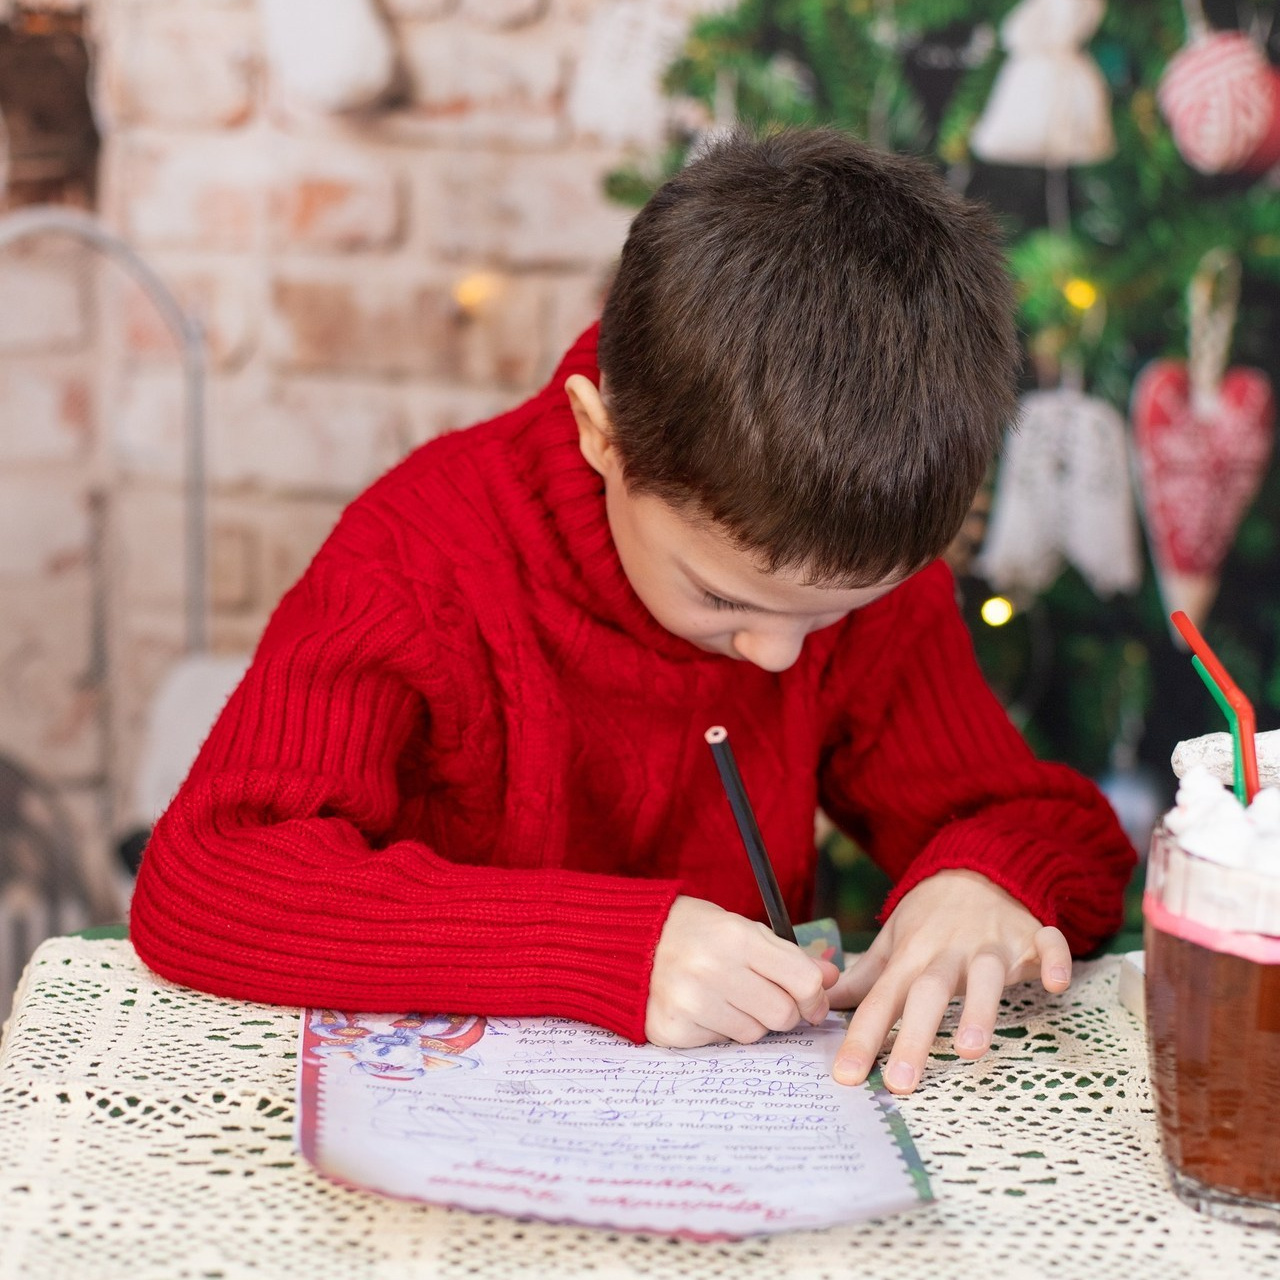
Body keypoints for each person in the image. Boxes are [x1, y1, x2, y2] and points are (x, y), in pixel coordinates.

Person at [130, 128, 1135, 1096]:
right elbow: (208, 880)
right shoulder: (421, 554)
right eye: (723, 596)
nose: (780, 656)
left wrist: (985, 881)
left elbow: (1051, 827)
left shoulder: (842, 552)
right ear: (598, 435)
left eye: (829, 616)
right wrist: (606, 947)